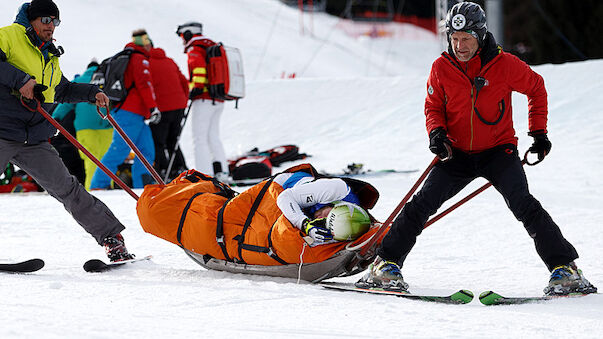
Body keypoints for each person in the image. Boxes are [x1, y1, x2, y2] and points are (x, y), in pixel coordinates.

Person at [358, 2, 597, 296]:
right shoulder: (441, 68)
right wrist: (436, 133)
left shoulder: (505, 64)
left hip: (498, 151)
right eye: (455, 38)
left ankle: (565, 270)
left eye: (466, 39)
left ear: (481, 35)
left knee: (523, 204)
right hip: (456, 153)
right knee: (422, 204)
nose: (459, 46)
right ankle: (386, 264)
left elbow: (536, 88)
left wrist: (538, 132)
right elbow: (433, 107)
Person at [0, 0, 134, 261]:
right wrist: (21, 80)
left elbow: (61, 90)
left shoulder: (49, 56)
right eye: (47, 21)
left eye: (56, 22)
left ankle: (112, 239)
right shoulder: (7, 37)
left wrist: (92, 93)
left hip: (34, 138)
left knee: (67, 187)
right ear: (33, 19)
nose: (52, 27)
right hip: (2, 130)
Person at [137, 164, 379, 266]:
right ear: (335, 205)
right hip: (280, 191)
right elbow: (285, 199)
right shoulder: (333, 189)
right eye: (325, 215)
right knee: (225, 220)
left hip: (286, 205)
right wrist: (305, 224)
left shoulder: (349, 223)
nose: (321, 218)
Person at [90, 29, 160, 189]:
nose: (150, 47)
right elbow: (144, 85)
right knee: (120, 150)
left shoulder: (131, 57)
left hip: (136, 114)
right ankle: (98, 185)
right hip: (129, 112)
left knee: (146, 150)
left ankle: (143, 186)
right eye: (148, 43)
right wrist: (153, 107)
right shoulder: (139, 59)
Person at [176, 22, 229, 182]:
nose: (182, 40)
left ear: (187, 34)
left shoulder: (195, 49)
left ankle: (204, 175)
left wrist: (195, 88)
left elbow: (198, 69)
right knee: (213, 136)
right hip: (218, 98)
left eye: (181, 36)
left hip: (204, 98)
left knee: (199, 138)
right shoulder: (211, 47)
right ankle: (223, 172)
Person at [53, 60, 114, 190]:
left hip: (84, 127)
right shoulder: (106, 79)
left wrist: (54, 118)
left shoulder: (80, 80)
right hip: (106, 125)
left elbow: (65, 104)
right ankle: (108, 188)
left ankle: (93, 189)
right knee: (108, 160)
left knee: (91, 160)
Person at [148, 45, 189, 180]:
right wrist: (184, 100)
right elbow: (184, 82)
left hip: (162, 108)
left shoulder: (147, 63)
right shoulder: (170, 61)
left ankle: (163, 170)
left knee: (158, 142)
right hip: (178, 107)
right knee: (174, 140)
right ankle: (179, 168)